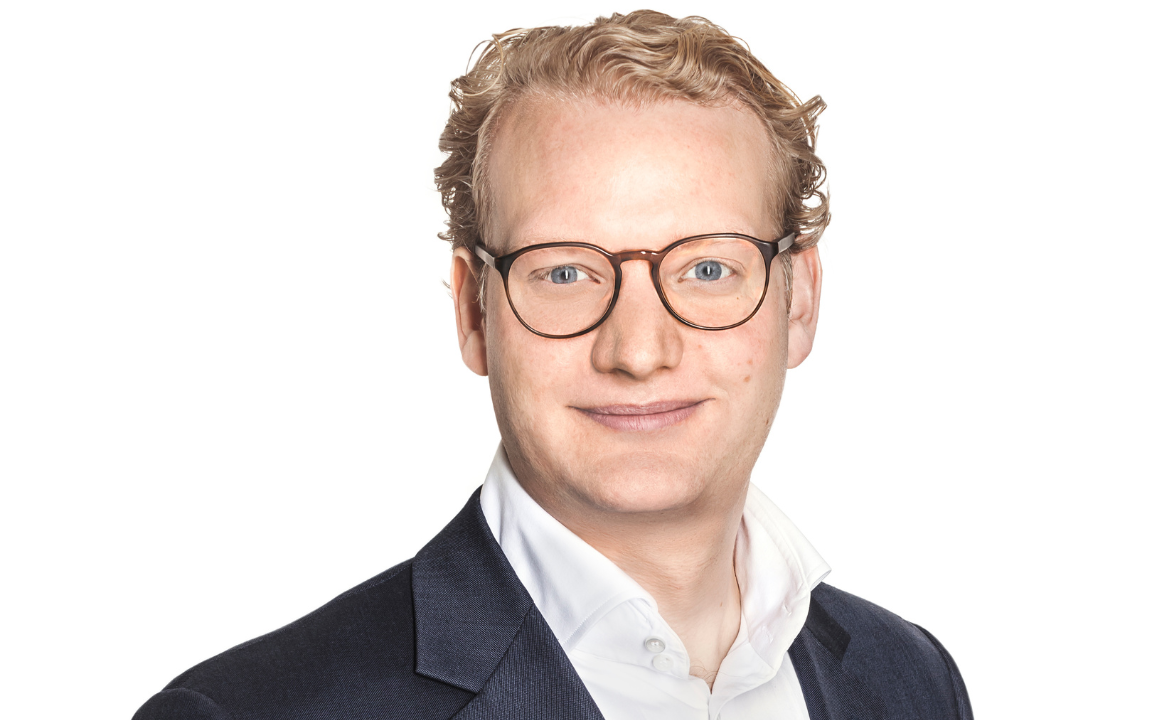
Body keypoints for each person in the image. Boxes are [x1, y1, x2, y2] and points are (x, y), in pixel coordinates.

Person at [134, 10, 971, 720]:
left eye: (708, 268)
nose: (638, 351)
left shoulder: (910, 680)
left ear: (798, 302)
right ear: (474, 311)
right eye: (565, 272)